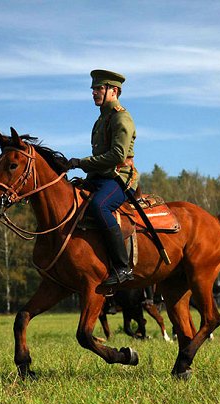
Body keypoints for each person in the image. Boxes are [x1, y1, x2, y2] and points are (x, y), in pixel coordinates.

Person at [67, 69, 139, 287]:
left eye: (99, 88)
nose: (94, 92)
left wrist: (81, 163)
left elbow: (117, 155)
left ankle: (122, 267)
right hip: (99, 177)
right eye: (94, 89)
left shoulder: (121, 118)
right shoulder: (101, 120)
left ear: (113, 91)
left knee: (100, 207)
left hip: (119, 178)